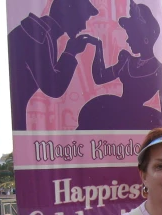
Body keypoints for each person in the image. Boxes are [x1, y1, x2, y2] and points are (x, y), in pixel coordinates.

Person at [7, 0, 99, 130]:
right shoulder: (38, 36)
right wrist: (70, 53)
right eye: (82, 19)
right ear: (66, 12)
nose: (83, 26)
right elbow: (53, 87)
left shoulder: (46, 34)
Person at [77, 0, 162, 131]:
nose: (127, 40)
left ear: (145, 39)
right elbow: (100, 77)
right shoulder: (127, 62)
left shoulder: (159, 70)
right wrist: (98, 46)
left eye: (131, 35)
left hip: (138, 119)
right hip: (116, 110)